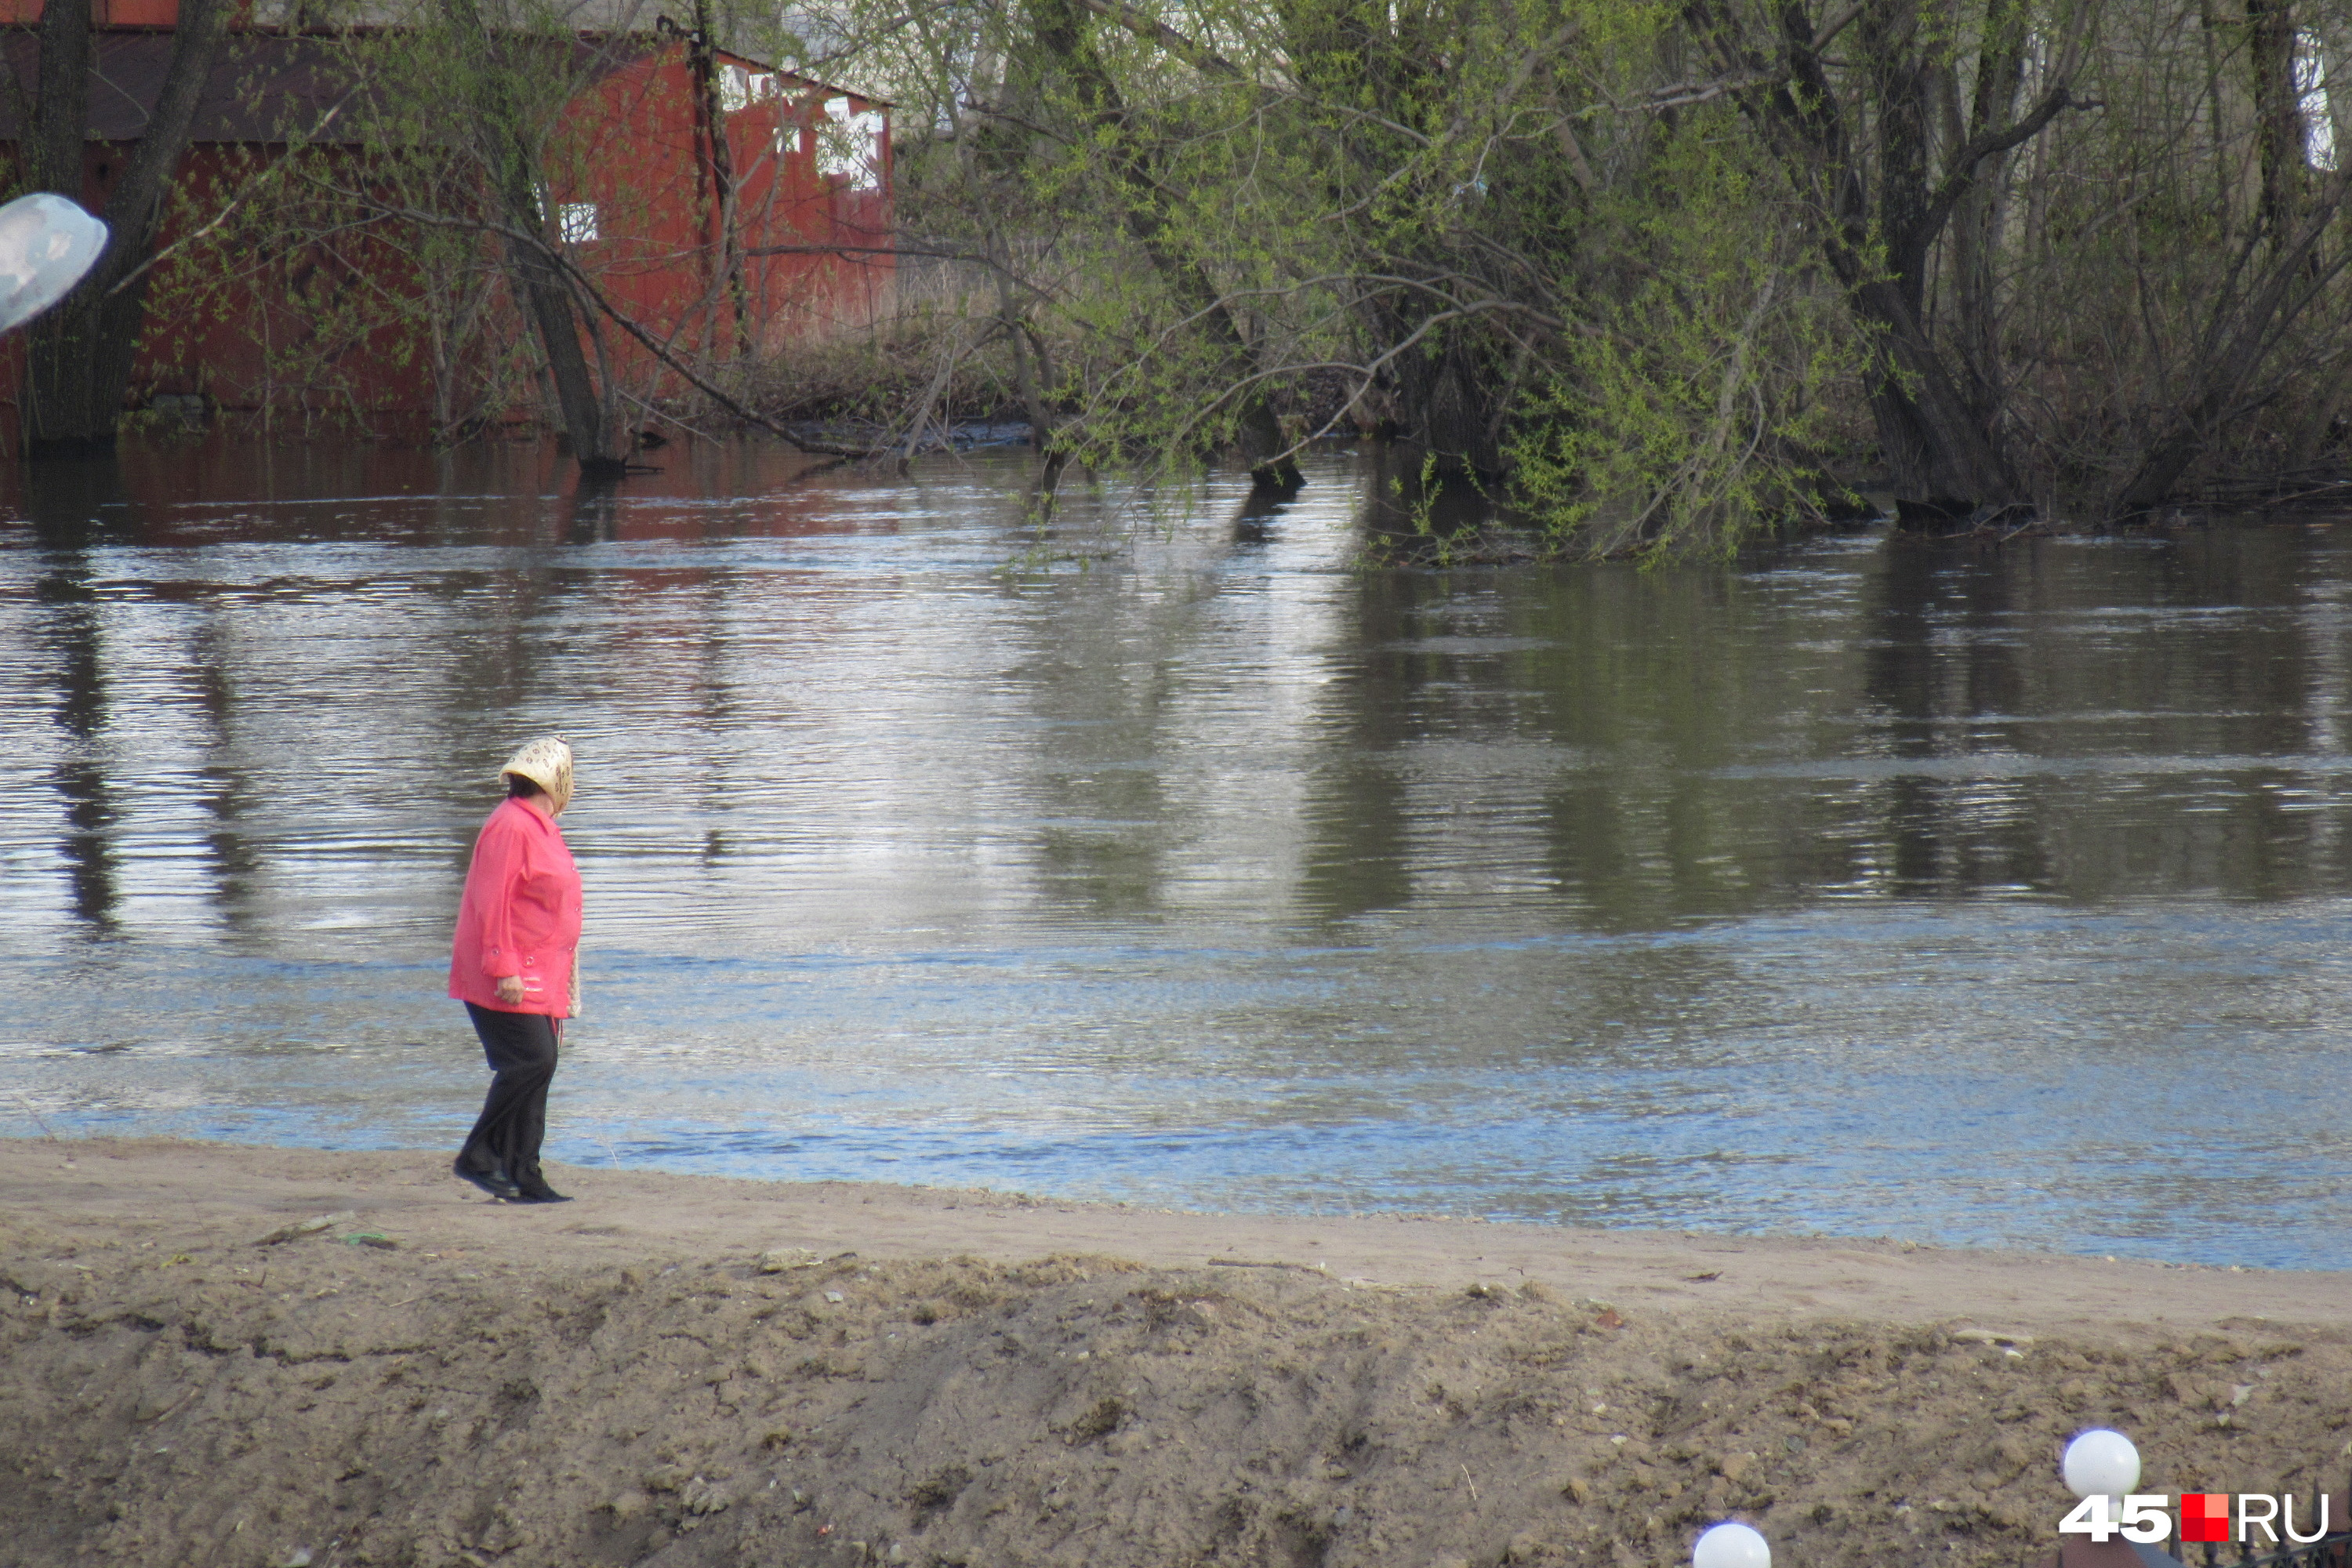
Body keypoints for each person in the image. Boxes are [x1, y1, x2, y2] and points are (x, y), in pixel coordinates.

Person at [447, 737, 582, 1203]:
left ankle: (525, 1172)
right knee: (530, 1061)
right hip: (508, 974)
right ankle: (480, 1155)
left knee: (540, 1067)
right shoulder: (511, 827)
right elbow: (492, 900)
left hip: (542, 972)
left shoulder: (541, 826)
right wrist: (503, 967)